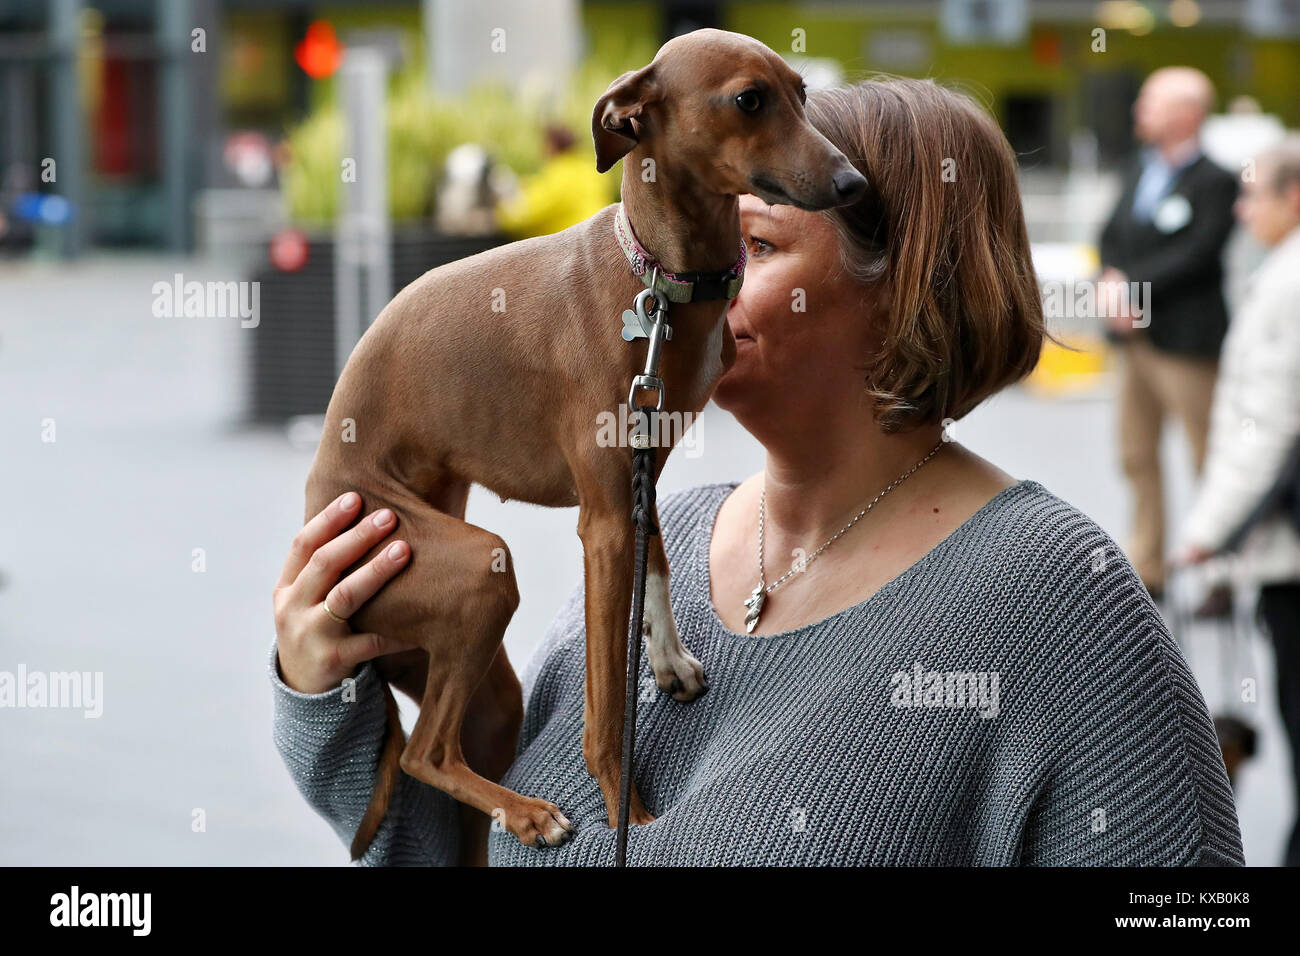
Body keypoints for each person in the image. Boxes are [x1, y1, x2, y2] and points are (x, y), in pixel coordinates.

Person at [269, 77, 1245, 866]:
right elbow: (482, 850)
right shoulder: (661, 530)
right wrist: (328, 697)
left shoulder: (1056, 597)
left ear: (899, 283)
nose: (684, 277)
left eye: (756, 246)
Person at [1176, 135, 1300, 867]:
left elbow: (1270, 421)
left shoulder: (1288, 282)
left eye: (1255, 195)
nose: (1242, 209)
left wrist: (1208, 533)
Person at [1098, 66, 1240, 600]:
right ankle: (1149, 564)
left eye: (1151, 103)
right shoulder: (1139, 167)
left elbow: (1198, 256)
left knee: (1207, 454)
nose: (1140, 111)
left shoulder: (1216, 180)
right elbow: (1110, 234)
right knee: (1136, 453)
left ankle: (1217, 571)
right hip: (1132, 340)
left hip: (1185, 341)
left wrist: (1133, 288)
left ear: (1187, 113)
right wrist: (1113, 282)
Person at [494, 123, 612, 239]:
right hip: (598, 236)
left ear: (552, 145)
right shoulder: (590, 167)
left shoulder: (561, 173)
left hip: (572, 244)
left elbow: (527, 215)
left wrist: (500, 213)